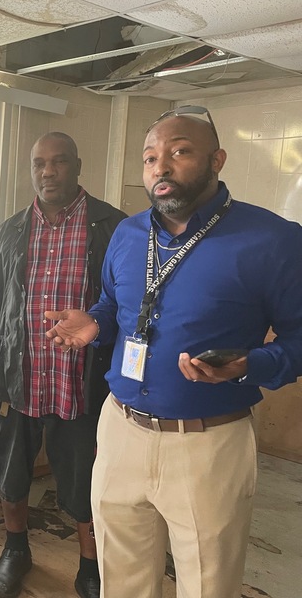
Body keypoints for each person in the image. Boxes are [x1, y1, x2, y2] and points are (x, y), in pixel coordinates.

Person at [45, 107, 302, 597]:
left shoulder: (273, 240)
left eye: (179, 152)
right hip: (120, 430)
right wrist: (94, 323)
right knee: (121, 580)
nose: (160, 167)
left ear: (217, 159)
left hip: (207, 444)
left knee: (206, 583)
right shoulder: (128, 234)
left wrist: (252, 365)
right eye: (149, 158)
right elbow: (111, 305)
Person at [0, 132, 127, 598]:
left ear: (78, 166)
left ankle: (89, 564)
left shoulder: (113, 228)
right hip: (19, 378)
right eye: (39, 163)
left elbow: (129, 305)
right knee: (12, 472)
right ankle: (16, 549)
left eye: (58, 162)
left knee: (84, 480)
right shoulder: (12, 229)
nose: (48, 172)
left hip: (83, 382)